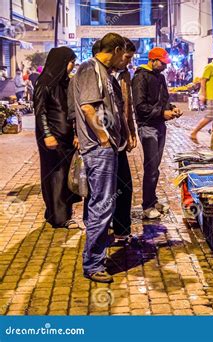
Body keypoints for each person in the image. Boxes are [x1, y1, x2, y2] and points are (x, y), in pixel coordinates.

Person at [74, 32, 126, 283]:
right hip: (98, 148)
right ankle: (93, 263)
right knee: (102, 205)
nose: (124, 60)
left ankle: (96, 253)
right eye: (123, 54)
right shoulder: (89, 68)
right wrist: (103, 137)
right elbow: (87, 107)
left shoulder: (105, 72)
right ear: (115, 49)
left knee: (102, 204)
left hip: (105, 147)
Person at [132, 47, 182, 219]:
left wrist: (172, 109)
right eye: (162, 63)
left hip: (160, 125)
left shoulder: (160, 77)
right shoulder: (140, 77)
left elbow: (164, 100)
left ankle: (152, 200)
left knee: (155, 167)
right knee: (151, 167)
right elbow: (140, 107)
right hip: (147, 127)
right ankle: (147, 206)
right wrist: (161, 113)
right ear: (152, 60)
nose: (165, 67)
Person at [33, 46, 80, 229]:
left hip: (66, 137)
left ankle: (57, 212)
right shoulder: (45, 82)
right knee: (56, 175)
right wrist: (47, 134)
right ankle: (60, 217)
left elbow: (71, 111)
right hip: (52, 137)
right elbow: (40, 111)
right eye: (70, 62)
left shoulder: (65, 82)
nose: (72, 66)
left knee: (66, 175)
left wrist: (76, 133)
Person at [110, 37, 138, 243]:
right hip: (104, 141)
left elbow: (127, 108)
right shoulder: (98, 74)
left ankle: (121, 229)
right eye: (127, 57)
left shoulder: (125, 75)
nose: (128, 62)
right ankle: (104, 231)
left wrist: (131, 132)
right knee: (104, 189)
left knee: (124, 186)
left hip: (119, 137)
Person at [190, 51, 213, 142]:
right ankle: (194, 132)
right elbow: (203, 81)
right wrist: (203, 94)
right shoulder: (209, 67)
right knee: (209, 117)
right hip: (210, 96)